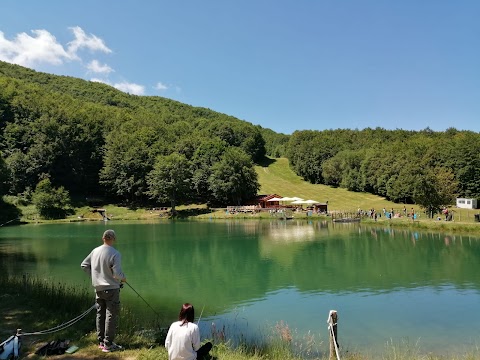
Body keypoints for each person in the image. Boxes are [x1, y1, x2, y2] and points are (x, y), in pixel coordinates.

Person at [81, 229, 126, 353]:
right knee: (111, 315)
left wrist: (95, 276)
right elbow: (117, 274)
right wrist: (123, 278)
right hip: (111, 288)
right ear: (114, 239)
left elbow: (84, 265)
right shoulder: (115, 253)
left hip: (98, 288)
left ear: (103, 238)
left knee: (100, 314)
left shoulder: (95, 251)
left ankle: (101, 342)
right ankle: (108, 344)